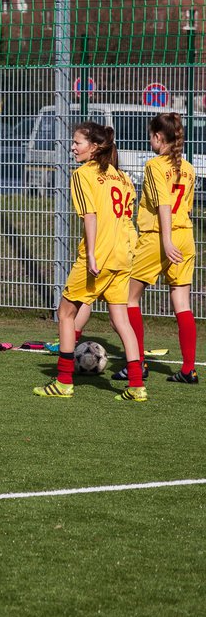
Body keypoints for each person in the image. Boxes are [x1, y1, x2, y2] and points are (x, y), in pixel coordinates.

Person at [35, 121, 145, 402]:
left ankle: (63, 381)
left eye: (77, 143)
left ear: (94, 147)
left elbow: (91, 217)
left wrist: (93, 254)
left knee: (65, 313)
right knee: (121, 320)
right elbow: (126, 218)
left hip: (99, 256)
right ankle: (136, 386)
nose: (72, 147)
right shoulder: (121, 177)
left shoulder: (83, 174)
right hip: (123, 255)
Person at [124, 113, 197, 384]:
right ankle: (189, 369)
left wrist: (165, 240)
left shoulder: (155, 165)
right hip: (185, 236)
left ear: (158, 137)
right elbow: (185, 206)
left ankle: (139, 362)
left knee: (129, 298)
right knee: (181, 302)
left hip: (158, 237)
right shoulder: (187, 168)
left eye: (150, 135)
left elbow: (164, 204)